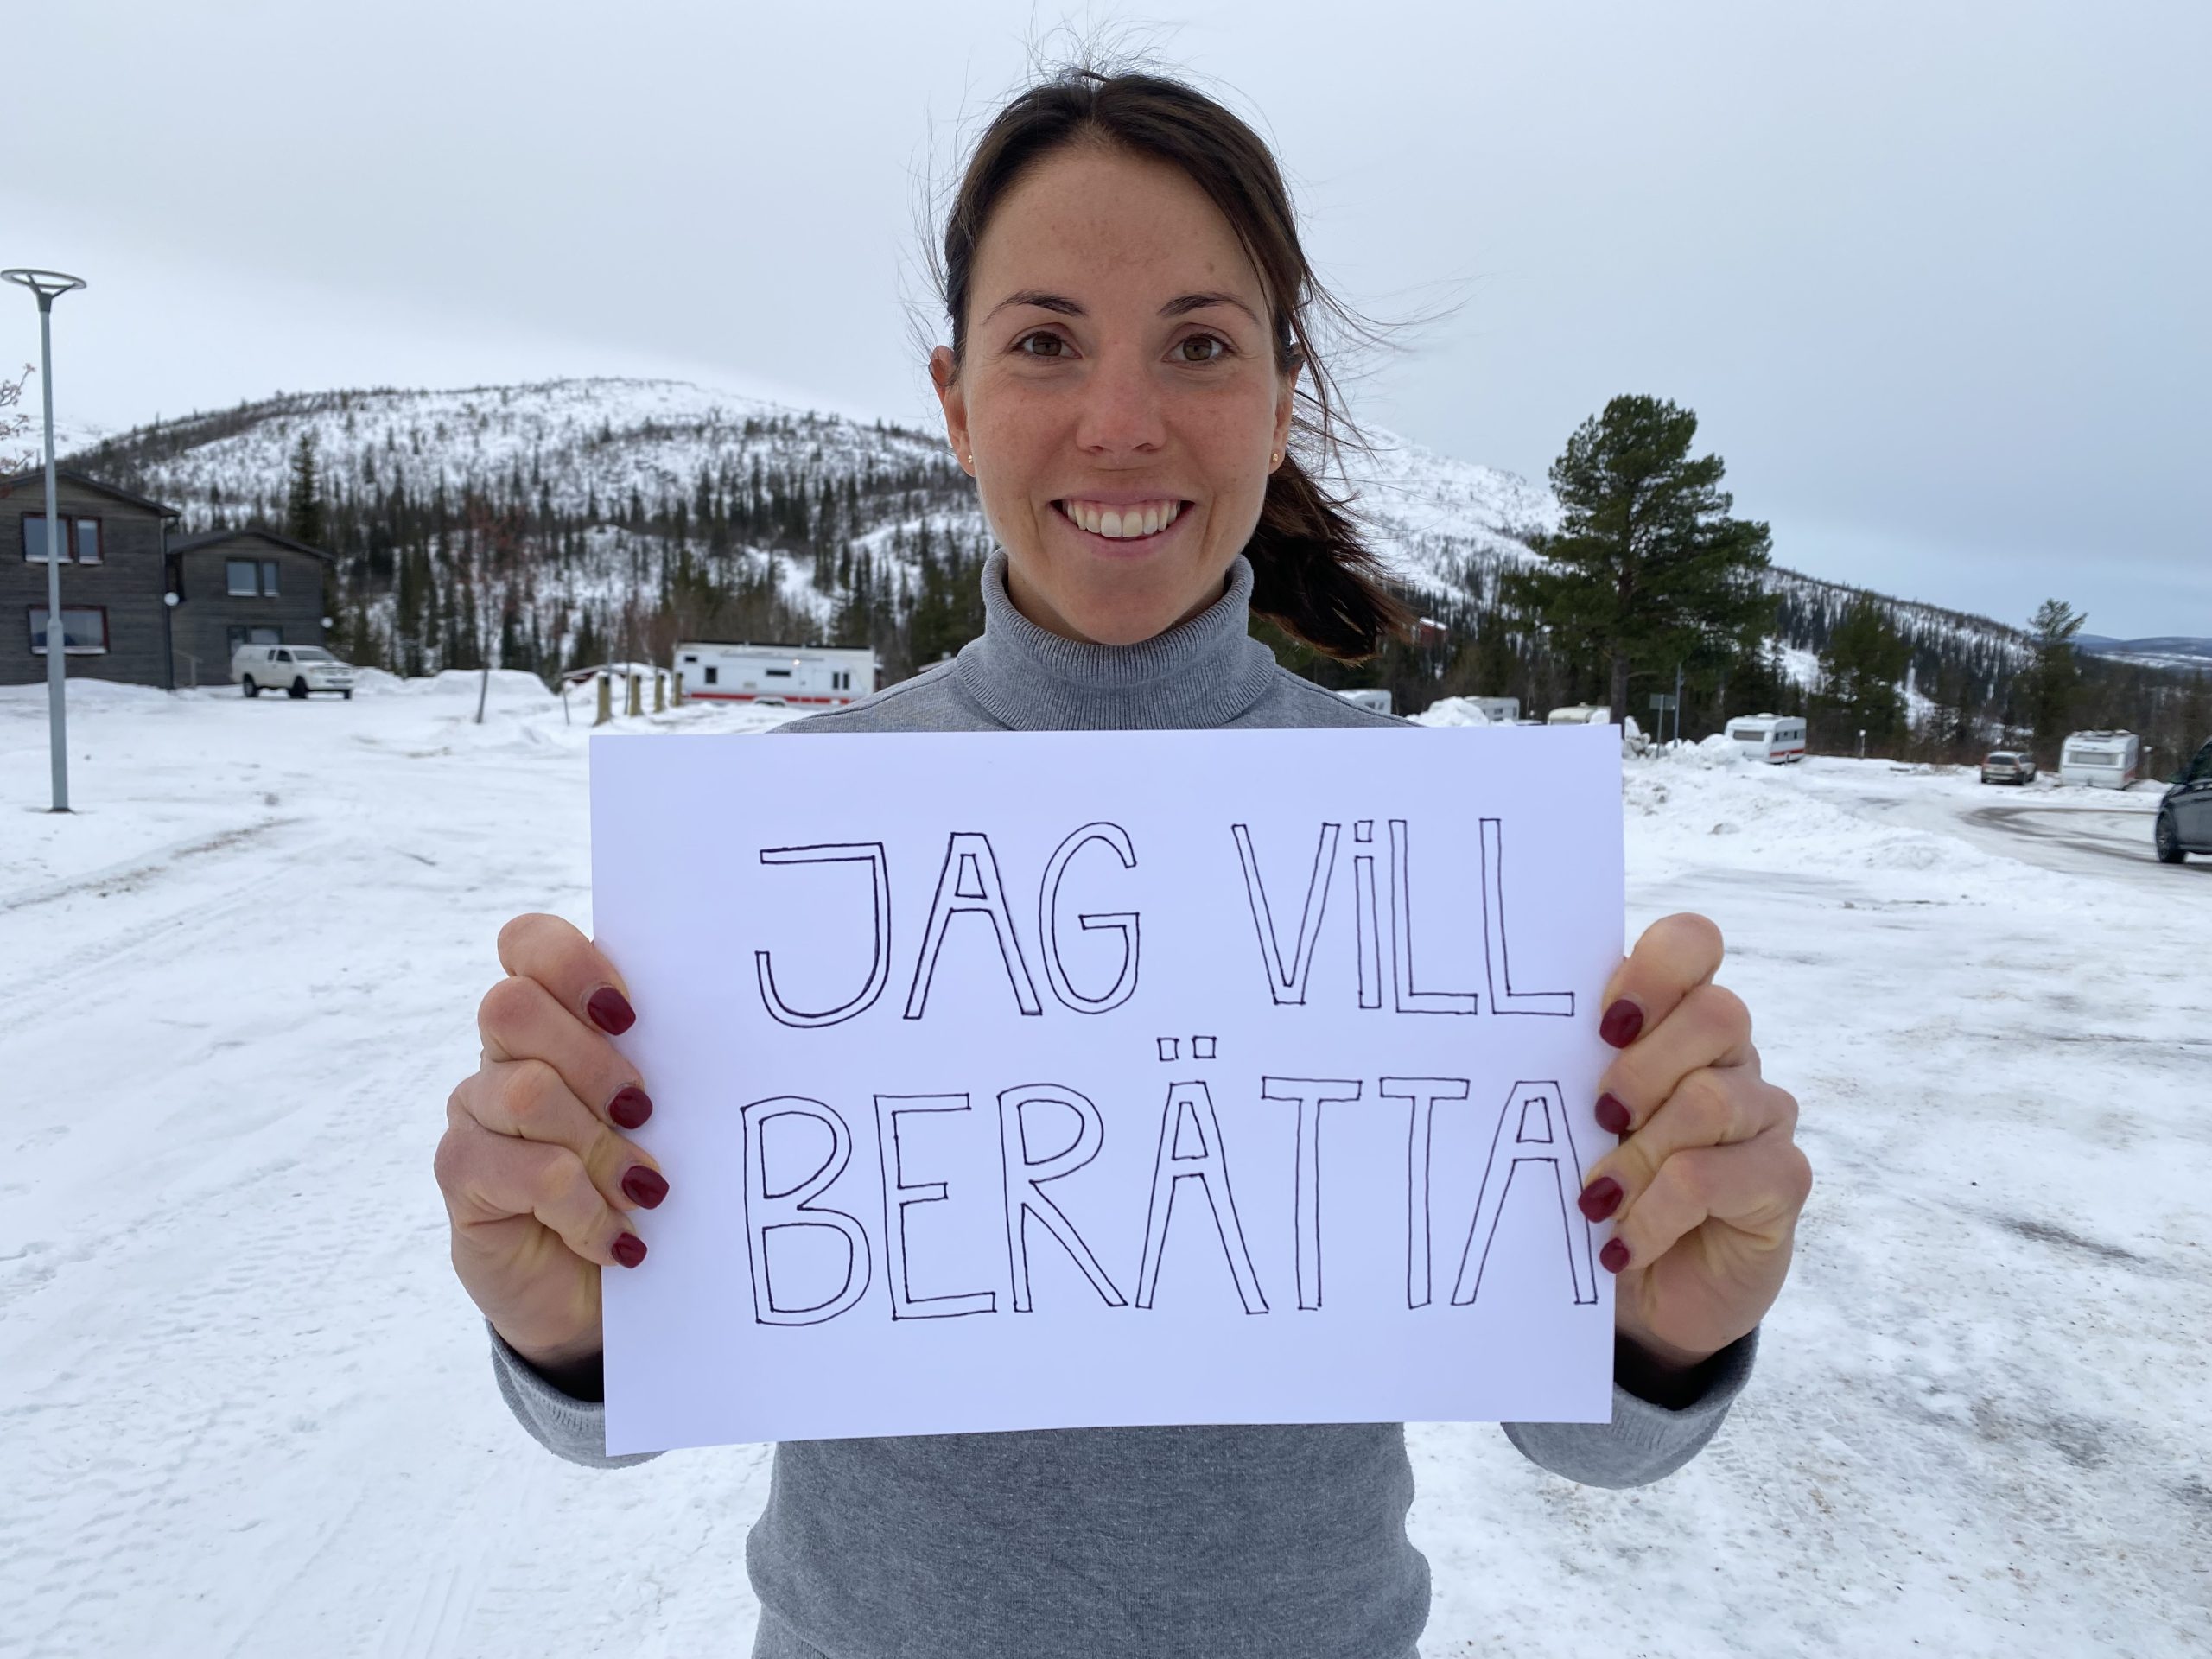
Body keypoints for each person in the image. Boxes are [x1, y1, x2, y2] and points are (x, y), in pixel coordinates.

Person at [435, 66, 1812, 1659]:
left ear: (1278, 398)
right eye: (1044, 343)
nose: (1121, 421)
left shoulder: (1431, 859)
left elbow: (1590, 1441)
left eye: (1200, 344)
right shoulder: (790, 841)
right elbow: (618, 1415)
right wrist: (565, 1326)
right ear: (954, 399)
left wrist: (1665, 1328)